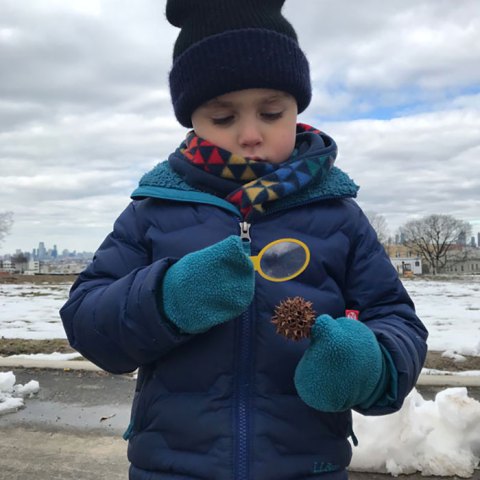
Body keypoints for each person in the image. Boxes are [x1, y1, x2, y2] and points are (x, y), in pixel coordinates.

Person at [60, 1, 428, 479]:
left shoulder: (339, 216)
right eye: (223, 117)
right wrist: (165, 300)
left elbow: (395, 317)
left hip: (307, 466)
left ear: (296, 108)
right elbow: (87, 321)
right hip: (173, 467)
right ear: (192, 119)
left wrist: (369, 365)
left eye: (271, 112)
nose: (251, 134)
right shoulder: (153, 211)